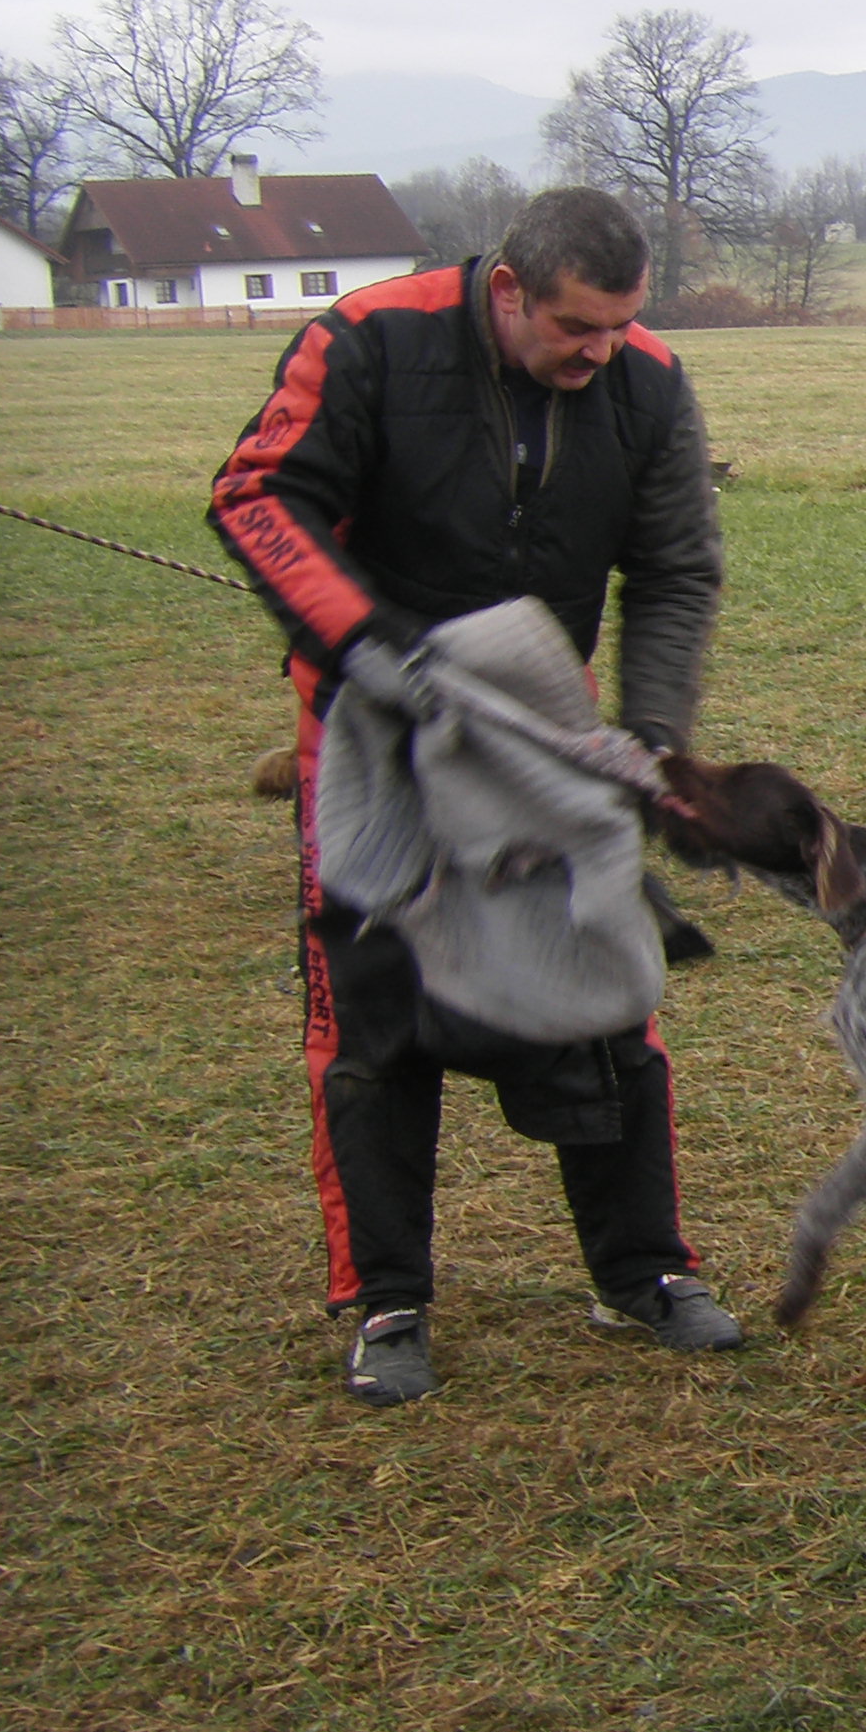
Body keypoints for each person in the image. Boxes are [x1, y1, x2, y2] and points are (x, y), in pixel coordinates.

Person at [211, 187, 741, 1405]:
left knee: (607, 988)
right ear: (509, 290)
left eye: (620, 327)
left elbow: (674, 570)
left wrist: (649, 746)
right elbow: (256, 498)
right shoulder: (370, 337)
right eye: (576, 329)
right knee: (374, 1013)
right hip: (365, 724)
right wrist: (374, 643)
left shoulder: (648, 381)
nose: (600, 352)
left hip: (540, 736)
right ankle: (387, 1300)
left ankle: (642, 1271)